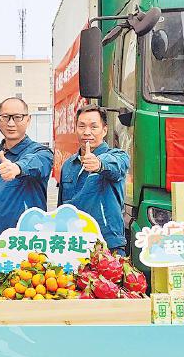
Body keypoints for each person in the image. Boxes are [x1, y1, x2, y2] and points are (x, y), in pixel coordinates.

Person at [0, 97, 53, 260]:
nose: (11, 123)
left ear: (28, 119)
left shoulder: (41, 152)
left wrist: (17, 168)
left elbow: (37, 164)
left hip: (25, 248)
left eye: (17, 117)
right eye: (5, 117)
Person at [56, 105, 131, 253]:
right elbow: (61, 208)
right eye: (81, 126)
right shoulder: (68, 165)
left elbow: (116, 166)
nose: (87, 132)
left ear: (104, 130)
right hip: (73, 244)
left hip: (107, 245)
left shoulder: (118, 156)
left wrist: (99, 164)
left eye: (93, 127)